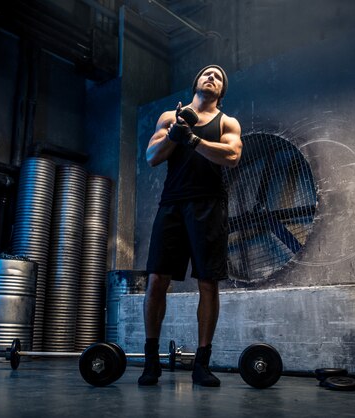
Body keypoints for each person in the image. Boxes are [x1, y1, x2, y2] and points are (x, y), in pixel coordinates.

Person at [140, 65, 243, 387]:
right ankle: (151, 361)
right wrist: (176, 133)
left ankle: (202, 364)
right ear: (195, 83)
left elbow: (232, 155)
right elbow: (152, 157)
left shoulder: (227, 122)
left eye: (218, 77)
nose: (211, 77)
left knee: (208, 282)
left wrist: (194, 139)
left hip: (209, 206)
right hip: (172, 205)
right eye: (206, 74)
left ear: (221, 92)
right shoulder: (170, 118)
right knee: (157, 279)